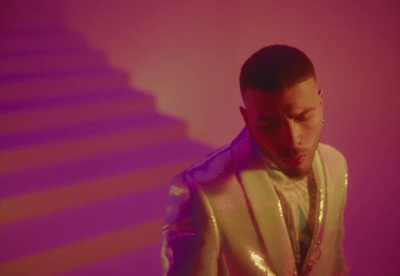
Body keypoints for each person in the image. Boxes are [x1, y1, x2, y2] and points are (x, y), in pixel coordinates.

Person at [161, 45, 349, 275]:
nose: (292, 140)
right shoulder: (199, 190)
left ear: (321, 103)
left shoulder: (336, 165)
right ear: (246, 118)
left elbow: (333, 262)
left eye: (303, 116)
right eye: (270, 124)